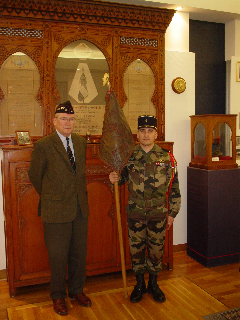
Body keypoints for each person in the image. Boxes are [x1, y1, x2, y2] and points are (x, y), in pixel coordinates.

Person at [109, 115, 181, 303]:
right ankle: (139, 283)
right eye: (142, 131)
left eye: (150, 131)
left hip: (158, 213)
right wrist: (114, 179)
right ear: (138, 134)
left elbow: (174, 187)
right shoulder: (130, 157)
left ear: (156, 133)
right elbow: (122, 179)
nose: (146, 134)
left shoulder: (167, 158)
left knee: (157, 251)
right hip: (136, 213)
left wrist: (172, 213)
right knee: (137, 251)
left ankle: (154, 284)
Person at [28, 101, 91, 316]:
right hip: (55, 210)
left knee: (78, 254)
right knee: (57, 256)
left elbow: (79, 175)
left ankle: (76, 290)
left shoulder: (81, 143)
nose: (68, 122)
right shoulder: (44, 145)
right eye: (64, 118)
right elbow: (35, 175)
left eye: (71, 119)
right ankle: (57, 296)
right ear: (54, 121)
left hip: (80, 209)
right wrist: (51, 196)